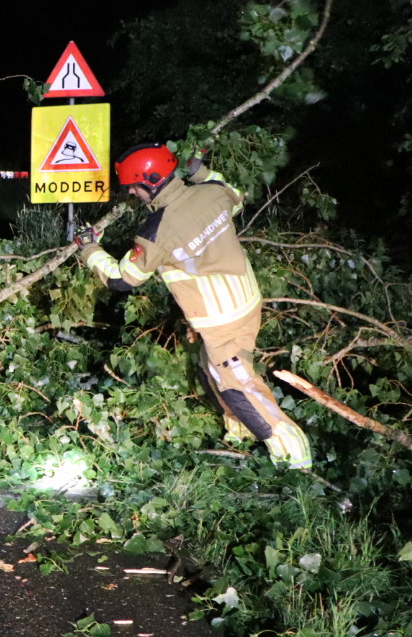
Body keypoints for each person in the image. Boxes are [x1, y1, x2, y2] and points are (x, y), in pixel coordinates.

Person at [76, 143, 312, 469]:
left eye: (134, 186)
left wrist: (89, 249)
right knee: (208, 371)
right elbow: (236, 197)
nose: (132, 192)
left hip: (221, 321)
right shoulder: (212, 191)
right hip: (247, 300)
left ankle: (297, 467)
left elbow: (122, 278)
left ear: (153, 181)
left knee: (240, 389)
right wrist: (198, 170)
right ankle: (240, 444)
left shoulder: (156, 232)